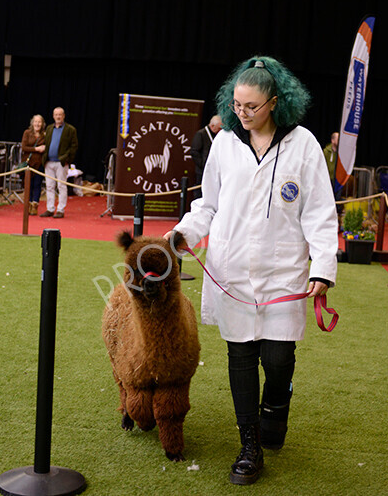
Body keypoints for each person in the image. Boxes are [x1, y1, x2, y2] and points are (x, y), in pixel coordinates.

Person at [165, 56, 337, 485]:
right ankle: (249, 445)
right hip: (231, 269)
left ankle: (277, 405)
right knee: (240, 355)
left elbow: (318, 212)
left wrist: (324, 267)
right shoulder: (225, 143)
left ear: (276, 103)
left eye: (252, 107)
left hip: (283, 272)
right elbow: (208, 204)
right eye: (236, 105)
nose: (241, 114)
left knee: (278, 359)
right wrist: (185, 233)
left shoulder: (304, 145)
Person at [39, 107, 78, 219]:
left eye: (60, 114)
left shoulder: (70, 129)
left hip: (61, 163)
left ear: (64, 116)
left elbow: (74, 146)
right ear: (53, 116)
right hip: (49, 162)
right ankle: (50, 209)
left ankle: (60, 209)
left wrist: (66, 159)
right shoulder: (50, 128)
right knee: (49, 186)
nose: (58, 117)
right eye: (56, 114)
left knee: (61, 186)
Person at [190, 115, 222, 199]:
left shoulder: (218, 136)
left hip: (214, 169)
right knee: (200, 192)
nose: (220, 131)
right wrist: (203, 165)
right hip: (202, 171)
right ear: (212, 126)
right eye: (219, 129)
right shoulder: (200, 134)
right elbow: (194, 152)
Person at [21, 114, 46, 216]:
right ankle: (28, 205)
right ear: (32, 123)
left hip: (39, 164)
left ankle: (35, 205)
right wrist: (36, 149)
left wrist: (44, 148)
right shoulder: (27, 133)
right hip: (28, 163)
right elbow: (24, 147)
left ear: (42, 124)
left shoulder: (45, 135)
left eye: (39, 122)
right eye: (36, 121)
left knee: (37, 184)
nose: (37, 124)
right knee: (28, 185)